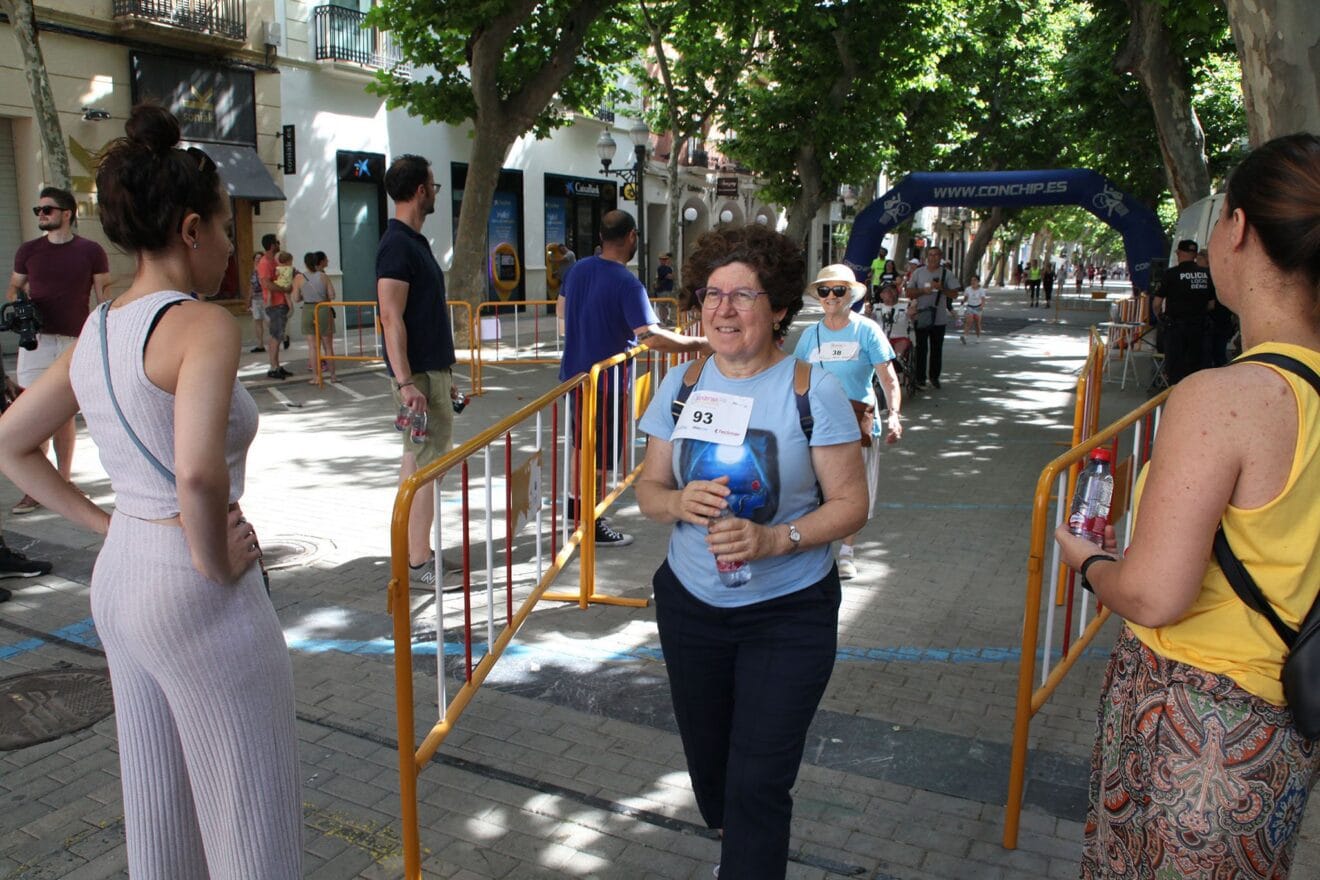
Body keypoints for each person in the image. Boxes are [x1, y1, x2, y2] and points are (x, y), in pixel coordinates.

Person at [0, 104, 301, 877]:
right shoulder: (203, 325)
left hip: (124, 577)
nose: (232, 246)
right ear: (192, 230)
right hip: (197, 587)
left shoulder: (100, 327)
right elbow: (197, 471)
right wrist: (215, 560)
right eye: (226, 228)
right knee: (252, 828)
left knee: (161, 821)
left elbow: (10, 442)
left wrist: (109, 525)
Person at [1054, 133, 1320, 880]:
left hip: (1192, 726)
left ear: (1237, 229)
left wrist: (1089, 562)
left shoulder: (1224, 398)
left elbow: (1154, 594)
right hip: (1284, 730)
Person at [635, 224, 868, 880]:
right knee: (713, 772)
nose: (724, 309)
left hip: (788, 612)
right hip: (691, 606)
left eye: (744, 295)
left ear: (779, 308)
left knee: (759, 782)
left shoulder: (812, 391)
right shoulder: (682, 384)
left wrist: (775, 538)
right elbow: (649, 491)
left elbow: (851, 504)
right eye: (713, 294)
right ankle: (736, 838)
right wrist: (678, 503)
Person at [557, 209, 708, 547]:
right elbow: (651, 337)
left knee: (582, 446)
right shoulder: (627, 283)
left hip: (575, 378)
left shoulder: (578, 269)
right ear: (631, 237)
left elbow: (561, 311)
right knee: (600, 457)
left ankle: (575, 509)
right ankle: (591, 521)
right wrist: (699, 343)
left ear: (601, 237)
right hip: (605, 384)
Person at [376, 154, 464, 587]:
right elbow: (390, 317)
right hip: (419, 379)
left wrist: (442, 376)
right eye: (433, 185)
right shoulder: (398, 245)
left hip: (428, 374)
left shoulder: (411, 242)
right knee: (428, 467)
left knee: (416, 464)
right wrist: (407, 382)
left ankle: (413, 553)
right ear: (420, 191)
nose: (435, 193)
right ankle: (417, 561)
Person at [6, 186, 111, 515]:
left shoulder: (91, 251)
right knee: (30, 412)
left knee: (63, 414)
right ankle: (34, 488)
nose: (41, 215)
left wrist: (106, 333)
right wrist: (20, 305)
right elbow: (14, 286)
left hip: (75, 341)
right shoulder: (29, 250)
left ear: (67, 213)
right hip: (35, 342)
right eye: (38, 210)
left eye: (47, 210)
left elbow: (103, 296)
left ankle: (62, 481)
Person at [793, 264, 901, 580]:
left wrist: (894, 415)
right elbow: (795, 380)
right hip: (817, 425)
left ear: (850, 295)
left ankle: (847, 552)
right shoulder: (809, 335)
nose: (831, 296)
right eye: (824, 290)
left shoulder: (867, 331)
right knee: (813, 488)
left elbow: (888, 379)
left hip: (857, 423)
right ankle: (816, 548)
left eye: (838, 290)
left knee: (855, 490)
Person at [1154, 239, 1214, 384]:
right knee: (1196, 368)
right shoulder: (1206, 274)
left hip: (1176, 329)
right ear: (1195, 255)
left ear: (1178, 253)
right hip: (1199, 328)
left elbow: (1157, 303)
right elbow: (1211, 305)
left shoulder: (1171, 274)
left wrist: (1160, 317)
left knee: (1175, 370)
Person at [908, 245, 960, 390]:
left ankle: (934, 377)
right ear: (926, 257)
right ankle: (920, 378)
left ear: (940, 257)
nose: (933, 257)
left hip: (939, 318)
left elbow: (955, 294)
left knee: (936, 349)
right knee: (921, 348)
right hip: (922, 316)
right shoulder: (918, 272)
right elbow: (909, 292)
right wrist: (923, 291)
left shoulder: (947, 274)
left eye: (936, 255)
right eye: (930, 254)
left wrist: (941, 288)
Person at [294, 250, 337, 381]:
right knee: (328, 345)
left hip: (307, 309)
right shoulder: (323, 276)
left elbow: (296, 298)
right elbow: (332, 295)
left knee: (312, 346)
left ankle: (316, 376)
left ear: (305, 264)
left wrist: (306, 295)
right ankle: (333, 376)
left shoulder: (299, 278)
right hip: (323, 308)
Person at [257, 233, 292, 379]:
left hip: (280, 303)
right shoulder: (265, 263)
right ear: (272, 245)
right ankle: (273, 367)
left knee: (278, 335)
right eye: (277, 242)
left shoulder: (275, 261)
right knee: (275, 336)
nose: (279, 244)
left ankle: (277, 365)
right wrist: (284, 289)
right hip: (275, 304)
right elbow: (266, 284)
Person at [873, 282, 912, 360]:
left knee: (898, 355)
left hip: (900, 338)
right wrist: (868, 313)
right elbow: (869, 319)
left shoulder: (905, 306)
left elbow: (912, 316)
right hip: (881, 339)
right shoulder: (876, 307)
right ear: (881, 295)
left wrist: (912, 310)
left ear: (897, 292)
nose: (889, 292)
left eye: (892, 290)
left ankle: (898, 361)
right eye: (886, 291)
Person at [248, 250, 267, 353]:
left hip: (264, 298)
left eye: (260, 258)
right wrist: (249, 300)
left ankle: (282, 337)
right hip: (255, 299)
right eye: (256, 258)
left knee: (268, 321)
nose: (258, 260)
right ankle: (260, 345)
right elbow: (251, 286)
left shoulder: (264, 270)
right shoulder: (253, 271)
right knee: (257, 321)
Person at [960, 274, 988, 343]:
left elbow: (983, 300)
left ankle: (978, 337)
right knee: (968, 321)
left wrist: (982, 306)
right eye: (972, 280)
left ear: (978, 281)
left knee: (977, 324)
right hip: (970, 307)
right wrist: (963, 301)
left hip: (978, 307)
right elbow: (966, 298)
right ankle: (965, 337)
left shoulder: (981, 290)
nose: (973, 282)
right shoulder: (968, 289)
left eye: (974, 280)